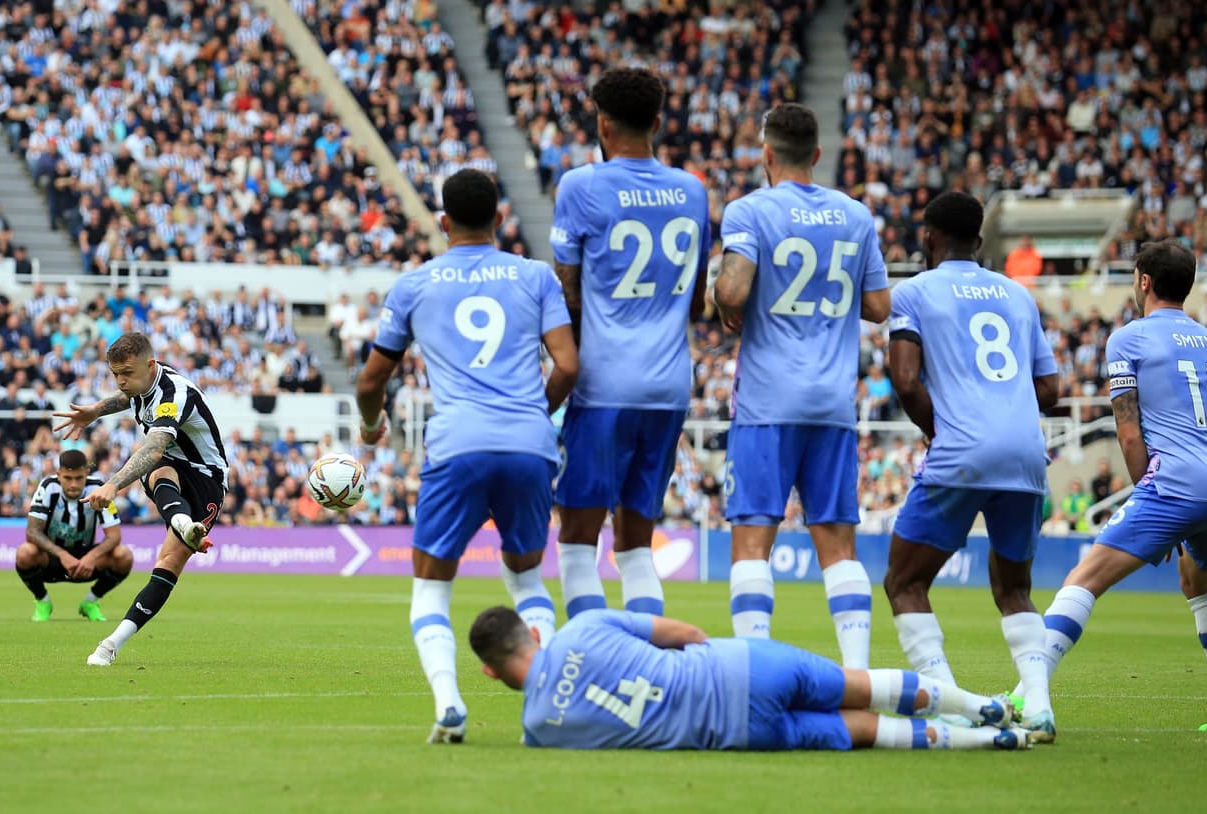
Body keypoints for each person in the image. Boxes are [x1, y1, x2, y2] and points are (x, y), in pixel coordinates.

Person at [356, 168, 579, 744]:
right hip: (529, 447)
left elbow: (371, 379)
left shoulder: (414, 285)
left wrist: (373, 425)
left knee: (432, 587)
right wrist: (536, 414)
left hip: (458, 447)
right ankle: (556, 699)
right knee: (527, 578)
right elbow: (570, 366)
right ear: (500, 219)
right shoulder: (535, 276)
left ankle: (450, 705)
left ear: (443, 222)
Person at [1026, 240, 1207, 733]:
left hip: (1177, 482)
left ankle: (1029, 694)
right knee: (1198, 585)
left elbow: (1129, 431)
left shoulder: (1128, 339)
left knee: (1083, 578)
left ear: (1143, 281)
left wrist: (1151, 495)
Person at [712, 103, 890, 668]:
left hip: (768, 401)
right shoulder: (856, 216)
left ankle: (754, 669)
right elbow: (881, 307)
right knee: (838, 545)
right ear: (816, 155)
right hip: (833, 403)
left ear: (766, 154)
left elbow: (734, 293)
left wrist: (727, 298)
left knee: (752, 539)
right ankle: (857, 674)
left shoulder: (749, 210)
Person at [880, 191, 1060, 741]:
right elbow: (1050, 389)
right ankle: (1039, 705)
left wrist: (943, 428)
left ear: (928, 237)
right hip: (1026, 455)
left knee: (904, 582)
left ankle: (950, 701)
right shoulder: (1016, 295)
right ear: (980, 242)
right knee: (1014, 589)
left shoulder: (911, 292)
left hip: (961, 450)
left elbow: (906, 380)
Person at [549, 68, 711, 620]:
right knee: (637, 543)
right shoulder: (692, 190)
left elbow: (567, 287)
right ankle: (644, 660)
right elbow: (697, 300)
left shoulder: (580, 185)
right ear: (659, 123)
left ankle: (594, 657)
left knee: (576, 537)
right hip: (668, 386)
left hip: (604, 384)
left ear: (602, 122)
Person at [468, 606, 1035, 751]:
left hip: (734, 731)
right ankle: (984, 705)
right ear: (534, 635)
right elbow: (685, 631)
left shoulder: (540, 727)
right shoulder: (584, 627)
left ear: (492, 673)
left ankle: (988, 740)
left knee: (860, 728)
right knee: (860, 683)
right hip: (739, 666)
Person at [53, 332, 229, 666]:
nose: (120, 381)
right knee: (161, 473)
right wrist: (94, 411)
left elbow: (153, 449)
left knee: (168, 558)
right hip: (172, 472)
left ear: (150, 365)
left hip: (208, 478)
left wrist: (112, 486)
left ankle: (180, 522)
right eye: (115, 373)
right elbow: (127, 398)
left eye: (127, 373)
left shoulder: (175, 393)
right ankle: (109, 646)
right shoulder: (141, 384)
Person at [16, 449, 132, 622]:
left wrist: (91, 557)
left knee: (124, 556)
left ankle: (90, 602)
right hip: (53, 558)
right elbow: (32, 532)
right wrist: (63, 555)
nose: (73, 485)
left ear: (86, 473)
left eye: (79, 478)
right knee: (25, 553)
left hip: (85, 560)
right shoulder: (47, 487)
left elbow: (114, 536)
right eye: (68, 478)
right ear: (59, 474)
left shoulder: (99, 488)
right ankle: (43, 601)